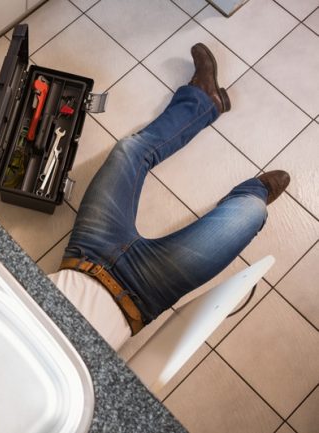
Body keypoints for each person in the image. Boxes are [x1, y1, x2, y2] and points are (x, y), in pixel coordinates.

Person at [48, 43, 290, 350]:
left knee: (128, 151)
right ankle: (252, 191)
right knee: (251, 211)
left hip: (86, 253)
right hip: (142, 292)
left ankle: (203, 100)